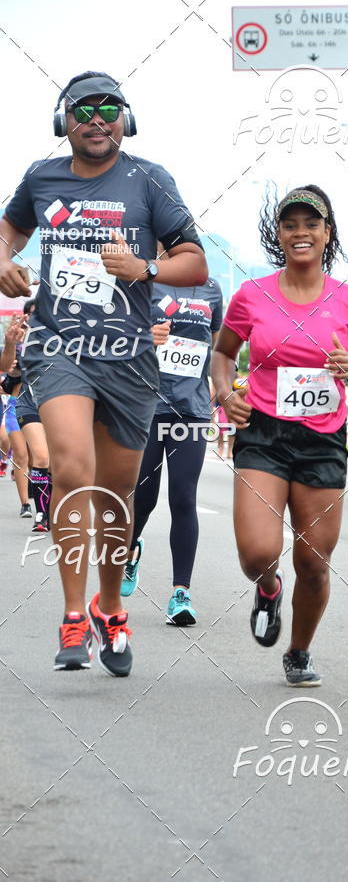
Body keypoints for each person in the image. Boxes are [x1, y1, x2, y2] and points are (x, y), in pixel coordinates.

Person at [0, 71, 207, 675]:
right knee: (70, 466)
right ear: (63, 121)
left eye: (109, 107)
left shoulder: (149, 180)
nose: (97, 117)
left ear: (126, 119)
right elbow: (6, 232)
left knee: (116, 495)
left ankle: (109, 606)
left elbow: (192, 262)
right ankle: (70, 615)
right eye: (83, 108)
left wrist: (141, 266)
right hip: (59, 345)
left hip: (128, 357)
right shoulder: (41, 178)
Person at [211, 185, 348, 686]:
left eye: (311, 224)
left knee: (314, 561)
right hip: (263, 433)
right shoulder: (251, 295)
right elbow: (222, 356)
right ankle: (266, 586)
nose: (301, 232)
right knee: (258, 552)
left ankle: (299, 652)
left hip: (323, 440)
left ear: (327, 234)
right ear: (278, 234)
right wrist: (224, 393)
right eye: (290, 224)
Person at [121, 259, 223, 626]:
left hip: (192, 411)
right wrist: (143, 339)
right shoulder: (141, 282)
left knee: (183, 497)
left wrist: (224, 383)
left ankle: (181, 593)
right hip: (146, 407)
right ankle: (130, 549)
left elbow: (218, 346)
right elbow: (115, 338)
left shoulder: (211, 287)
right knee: (143, 498)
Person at [12, 298, 53, 533]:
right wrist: (12, 344)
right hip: (29, 405)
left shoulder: (66, 337)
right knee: (41, 457)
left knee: (58, 466)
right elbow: (9, 367)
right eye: (33, 315)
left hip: (59, 407)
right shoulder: (20, 340)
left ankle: (51, 509)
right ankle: (40, 513)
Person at [0, 313, 32, 517]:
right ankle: (26, 505)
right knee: (20, 454)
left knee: (41, 459)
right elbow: (5, 369)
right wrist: (11, 344)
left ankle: (45, 507)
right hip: (14, 405)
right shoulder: (16, 352)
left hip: (41, 406)